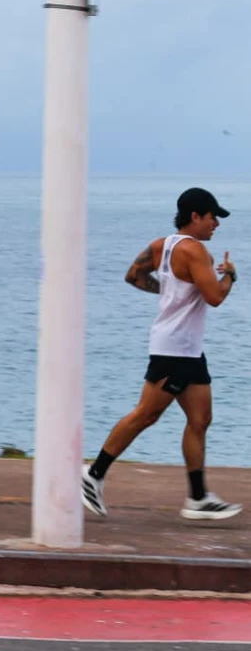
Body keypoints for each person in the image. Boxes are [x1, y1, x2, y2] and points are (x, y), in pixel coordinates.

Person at [82, 187, 241, 520]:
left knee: (200, 419)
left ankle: (197, 498)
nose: (217, 225)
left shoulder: (161, 246)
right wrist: (230, 277)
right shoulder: (197, 252)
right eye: (213, 217)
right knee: (146, 414)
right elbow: (214, 297)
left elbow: (134, 276)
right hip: (175, 351)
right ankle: (93, 474)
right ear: (195, 216)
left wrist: (169, 291)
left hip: (186, 349)